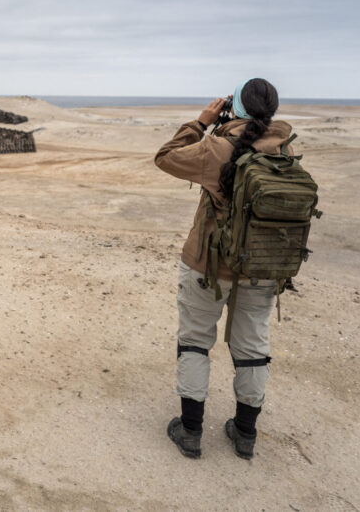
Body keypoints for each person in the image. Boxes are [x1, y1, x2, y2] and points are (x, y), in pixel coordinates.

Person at [154, 78, 293, 460]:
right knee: (252, 346)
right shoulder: (285, 147)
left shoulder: (216, 147)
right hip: (263, 266)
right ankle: (245, 433)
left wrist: (202, 122)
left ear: (235, 108)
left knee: (196, 340)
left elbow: (165, 156)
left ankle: (191, 430)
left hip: (208, 266)